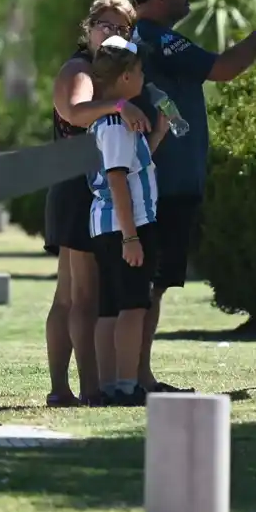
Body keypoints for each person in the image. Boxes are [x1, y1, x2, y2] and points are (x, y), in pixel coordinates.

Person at [127, 0, 256, 391]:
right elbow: (225, 68)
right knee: (148, 286)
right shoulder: (157, 39)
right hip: (161, 186)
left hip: (163, 183)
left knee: (152, 285)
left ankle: (134, 375)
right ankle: (134, 378)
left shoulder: (143, 38)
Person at [43, 0, 152, 407]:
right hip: (76, 189)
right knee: (81, 297)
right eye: (104, 25)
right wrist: (120, 104)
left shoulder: (107, 75)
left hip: (80, 187)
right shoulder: (79, 69)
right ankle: (87, 388)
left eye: (122, 28)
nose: (112, 33)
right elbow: (74, 110)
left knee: (69, 295)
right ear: (88, 29)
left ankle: (64, 388)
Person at [86, 36, 172, 406]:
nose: (142, 76)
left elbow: (131, 167)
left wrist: (158, 134)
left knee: (109, 307)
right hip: (128, 225)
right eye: (137, 70)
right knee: (134, 306)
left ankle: (107, 385)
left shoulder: (110, 123)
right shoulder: (117, 124)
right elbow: (118, 179)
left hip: (106, 226)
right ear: (124, 77)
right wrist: (131, 237)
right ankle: (125, 384)